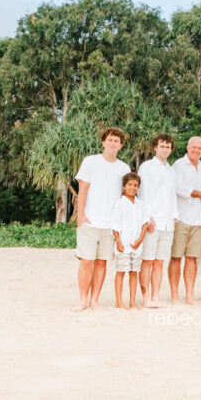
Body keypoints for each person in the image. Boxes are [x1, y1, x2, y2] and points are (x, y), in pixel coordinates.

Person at [73, 127, 130, 312]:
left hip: (110, 225)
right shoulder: (90, 162)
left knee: (101, 262)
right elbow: (83, 188)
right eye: (110, 140)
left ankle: (94, 301)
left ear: (121, 145)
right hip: (90, 221)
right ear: (103, 142)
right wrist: (81, 216)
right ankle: (83, 300)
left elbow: (125, 196)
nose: (113, 143)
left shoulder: (124, 168)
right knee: (86, 261)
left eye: (116, 141)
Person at [136, 133, 177, 308]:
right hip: (152, 221)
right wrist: (147, 217)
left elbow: (172, 195)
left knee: (160, 261)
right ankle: (146, 298)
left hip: (167, 223)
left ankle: (155, 296)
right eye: (162, 146)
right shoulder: (147, 167)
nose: (165, 150)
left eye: (168, 147)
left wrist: (174, 216)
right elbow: (142, 193)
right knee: (147, 261)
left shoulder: (171, 170)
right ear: (155, 147)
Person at [170, 136, 201, 305]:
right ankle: (174, 295)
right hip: (181, 218)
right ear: (187, 148)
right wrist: (200, 194)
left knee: (192, 259)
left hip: (198, 220)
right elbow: (179, 188)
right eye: (193, 147)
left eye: (199, 148)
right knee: (176, 257)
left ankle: (189, 295)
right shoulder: (178, 165)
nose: (196, 150)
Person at [110, 172, 149, 310]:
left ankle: (132, 301)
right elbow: (115, 225)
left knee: (134, 273)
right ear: (124, 187)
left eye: (135, 185)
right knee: (121, 272)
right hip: (123, 244)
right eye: (130, 185)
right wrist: (118, 241)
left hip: (137, 245)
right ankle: (119, 301)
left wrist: (140, 240)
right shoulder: (119, 204)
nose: (133, 188)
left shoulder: (141, 204)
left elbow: (145, 223)